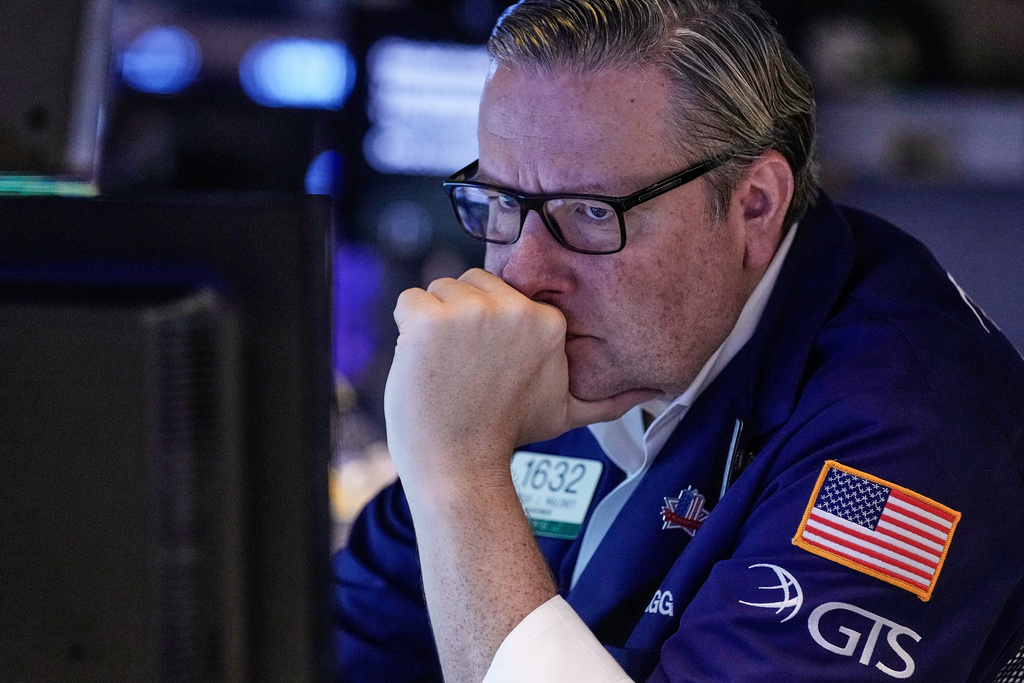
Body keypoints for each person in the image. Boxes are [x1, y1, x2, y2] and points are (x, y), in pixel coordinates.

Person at [333, 0, 1024, 680]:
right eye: (504, 204)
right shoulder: (574, 344)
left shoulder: (910, 433)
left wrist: (460, 475)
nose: (524, 272)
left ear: (756, 204)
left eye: (592, 212)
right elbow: (333, 645)